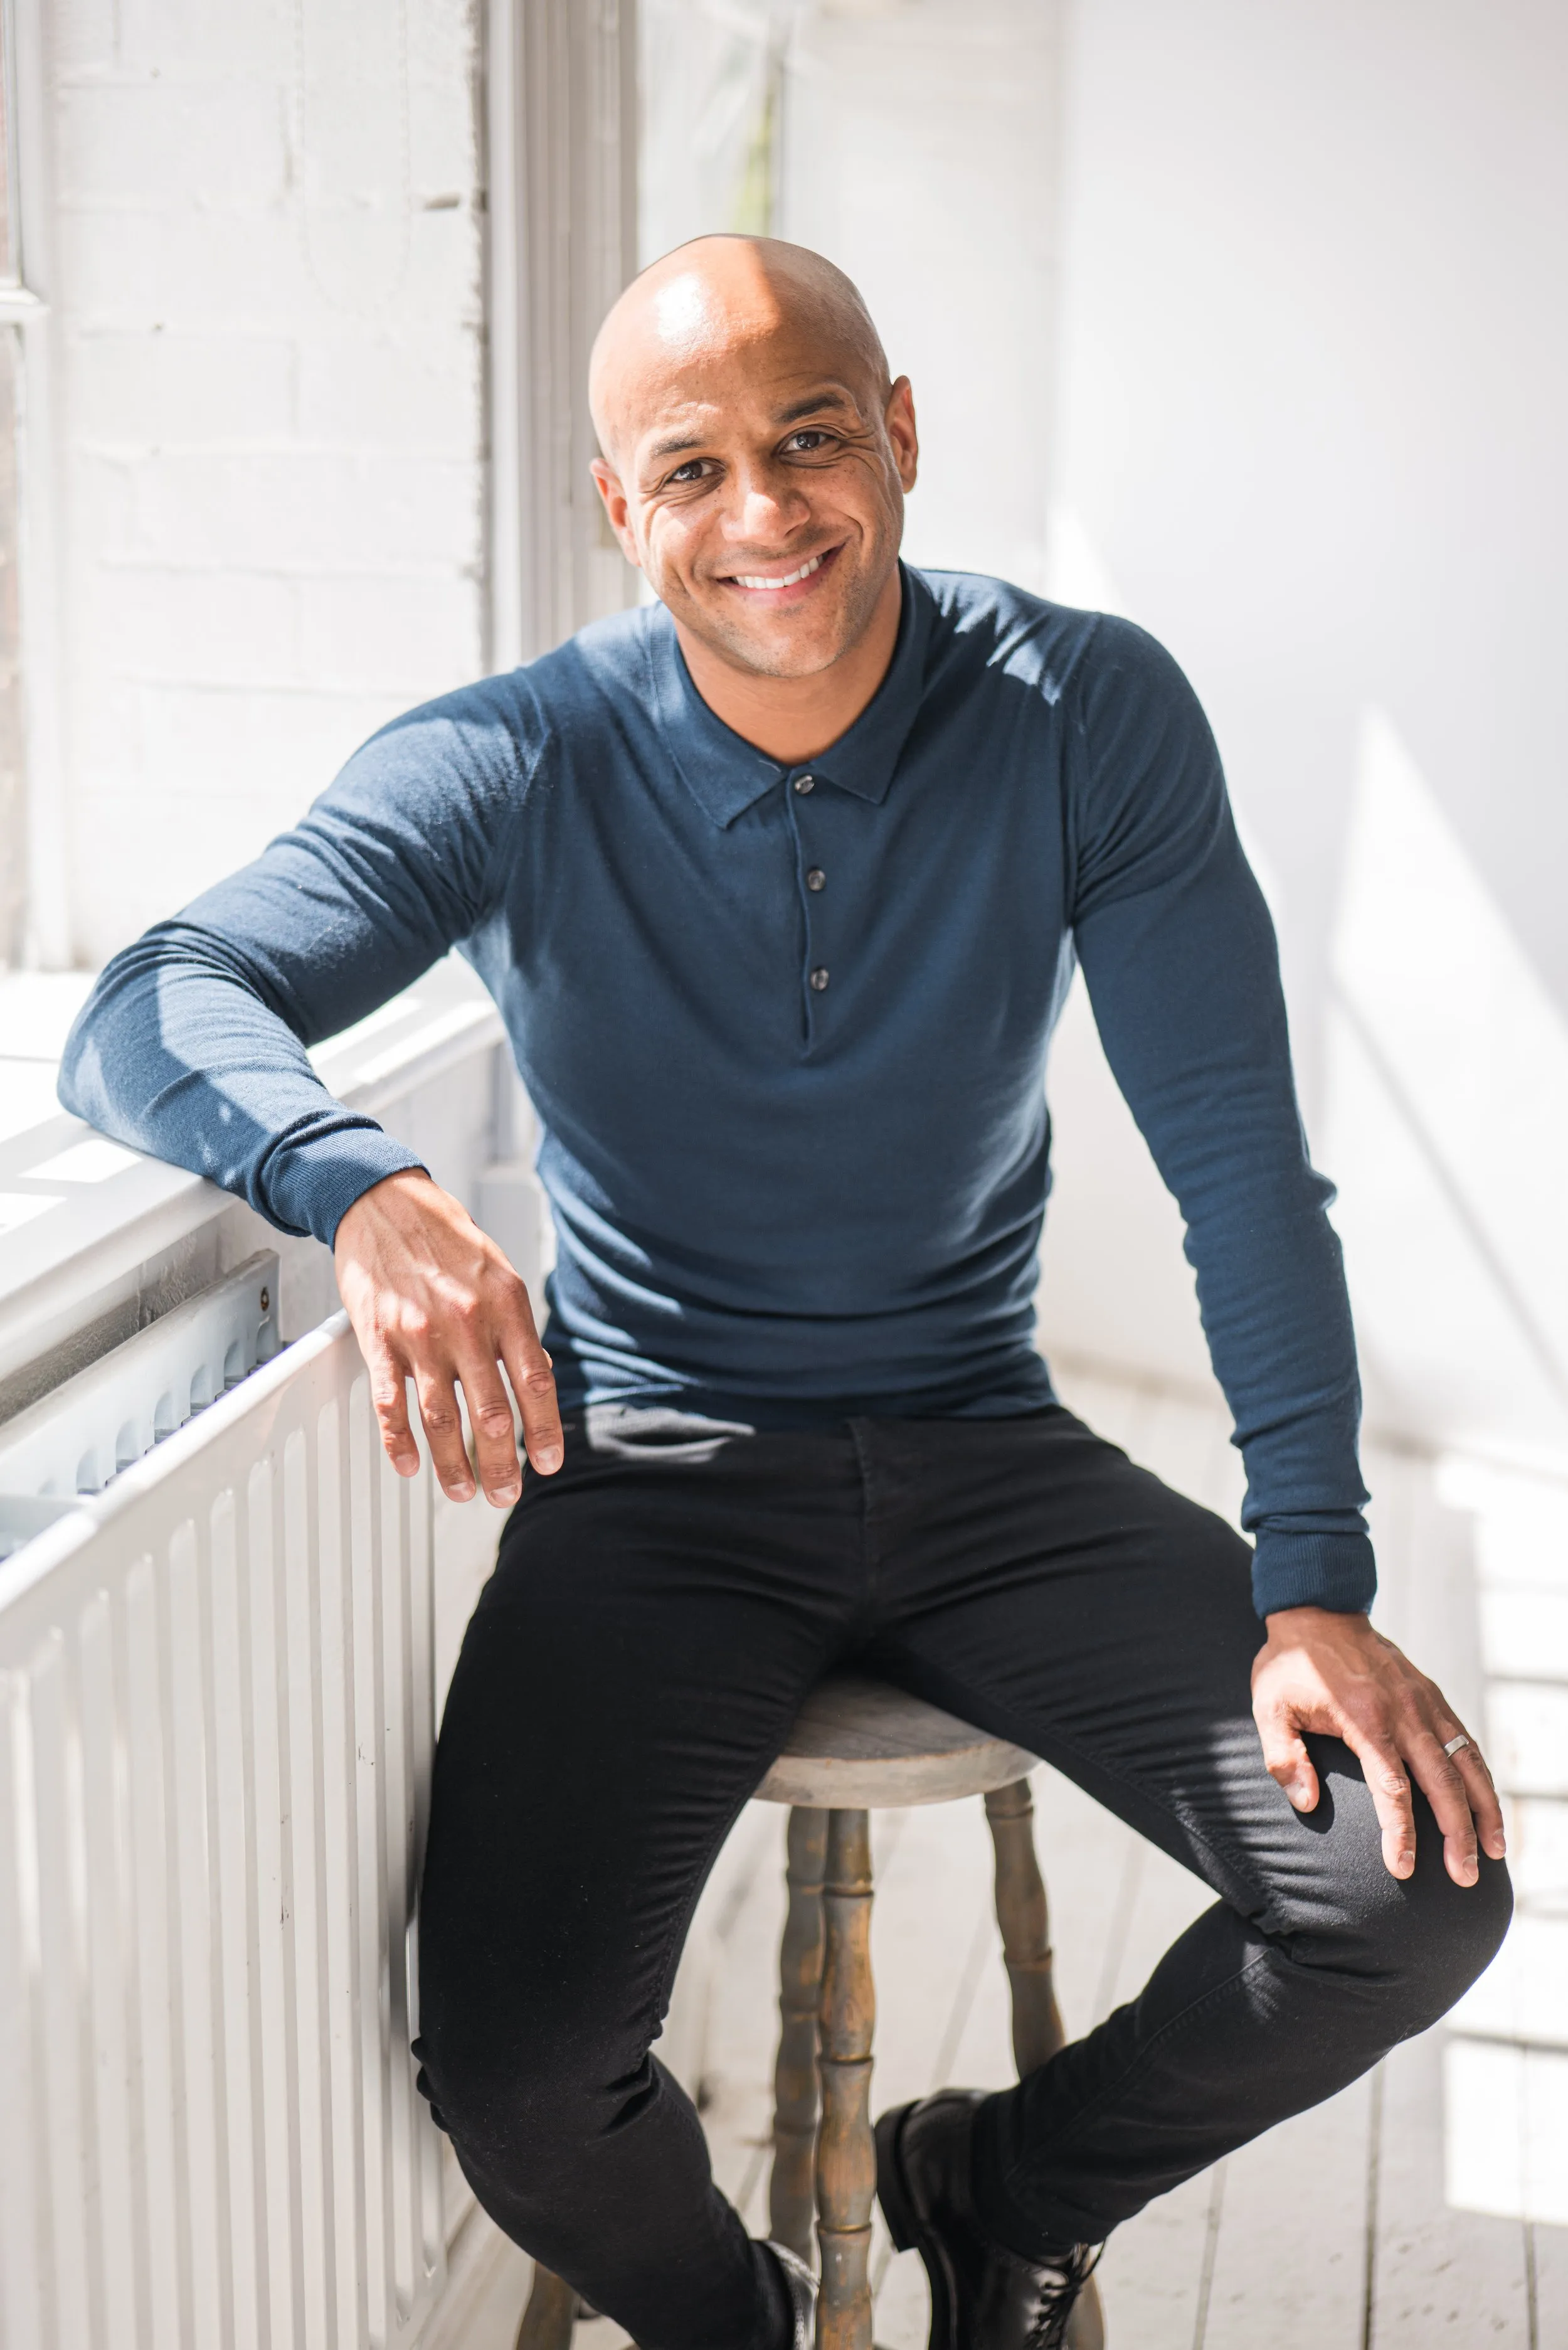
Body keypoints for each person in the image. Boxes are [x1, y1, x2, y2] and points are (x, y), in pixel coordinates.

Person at [60, 237, 1510, 2350]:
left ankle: (992, 2185)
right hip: (651, 1481)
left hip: (991, 1461)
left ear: (899, 431)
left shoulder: (1082, 709)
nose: (763, 516)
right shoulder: (517, 759)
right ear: (615, 503)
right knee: (525, 2089)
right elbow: (152, 1001)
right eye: (693, 467)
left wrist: (1314, 1581)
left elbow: (1235, 1165)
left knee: (1414, 1895)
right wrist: (354, 1185)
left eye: (810, 437)